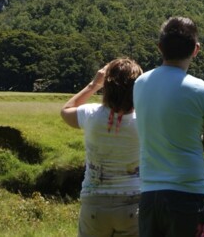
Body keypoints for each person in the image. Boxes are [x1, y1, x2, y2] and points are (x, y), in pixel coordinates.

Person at [133, 16, 204, 237]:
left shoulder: (140, 84)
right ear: (196, 49)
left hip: (149, 194)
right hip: (188, 193)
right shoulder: (203, 91)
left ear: (159, 48)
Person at [61, 57, 144, 237]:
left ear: (106, 86)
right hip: (133, 202)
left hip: (94, 201)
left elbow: (66, 110)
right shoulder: (144, 121)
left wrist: (93, 84)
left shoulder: (90, 114)